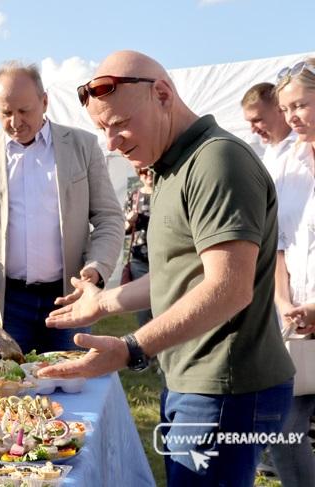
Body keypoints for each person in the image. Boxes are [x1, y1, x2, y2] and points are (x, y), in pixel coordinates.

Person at [42, 50, 294, 487]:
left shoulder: (217, 160)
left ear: (162, 94)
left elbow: (229, 288)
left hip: (224, 384)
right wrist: (103, 302)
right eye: (103, 128)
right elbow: (181, 275)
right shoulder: (172, 165)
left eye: (120, 123)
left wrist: (131, 348)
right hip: (197, 379)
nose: (111, 141)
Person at [0, 60, 124, 354]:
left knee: (70, 385)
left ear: (45, 101)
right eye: (6, 113)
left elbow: (109, 218)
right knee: (8, 389)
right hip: (5, 303)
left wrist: (96, 268)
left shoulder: (82, 146)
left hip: (68, 297)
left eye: (24, 111)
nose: (15, 121)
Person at [265, 58, 315, 487]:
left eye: (300, 105)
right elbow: (279, 241)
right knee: (283, 429)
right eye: (286, 109)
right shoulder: (288, 164)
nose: (291, 117)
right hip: (299, 324)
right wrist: (283, 300)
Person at [241, 82, 297, 182]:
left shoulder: (306, 146)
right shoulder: (270, 152)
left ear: (280, 109)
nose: (253, 129)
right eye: (250, 122)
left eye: (257, 120)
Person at [122, 167, 153, 327]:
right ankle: (147, 349)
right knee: (143, 309)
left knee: (163, 307)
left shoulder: (165, 192)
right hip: (139, 259)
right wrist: (129, 220)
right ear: (139, 174)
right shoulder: (134, 196)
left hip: (163, 259)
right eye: (144, 172)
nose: (148, 175)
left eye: (151, 171)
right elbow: (123, 230)